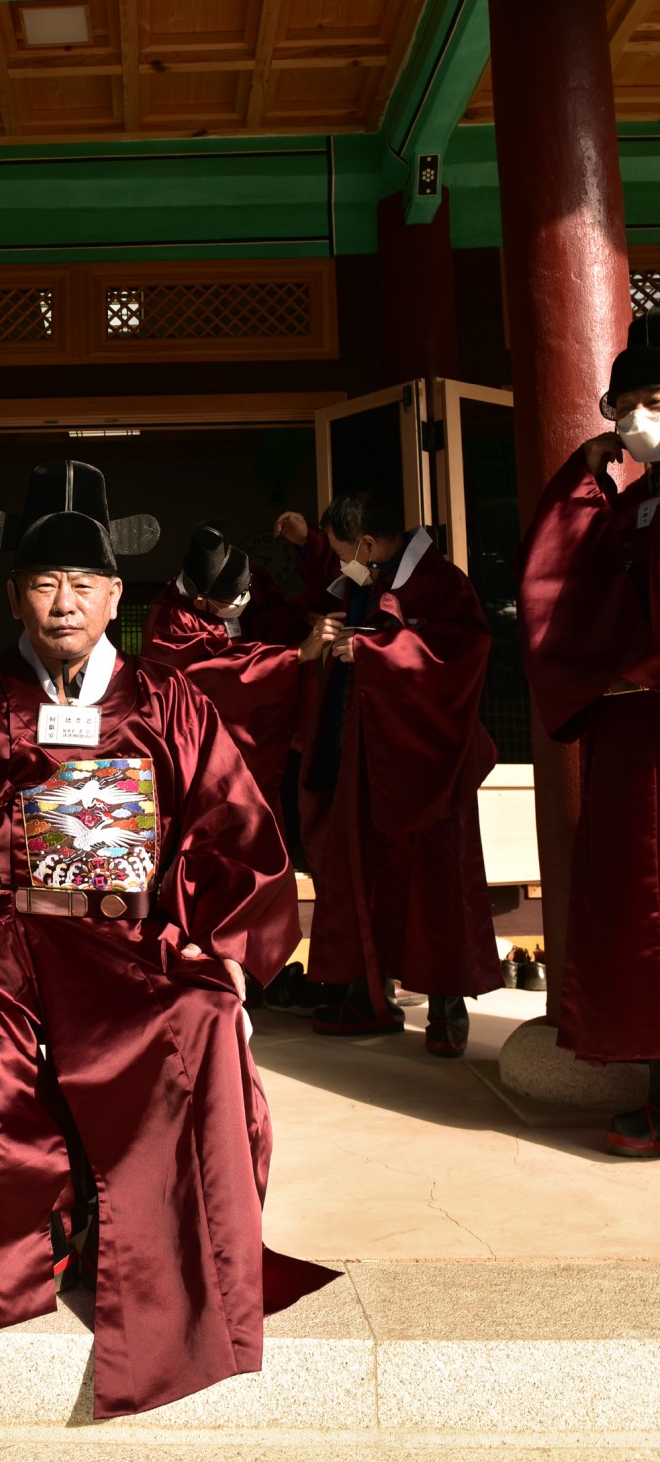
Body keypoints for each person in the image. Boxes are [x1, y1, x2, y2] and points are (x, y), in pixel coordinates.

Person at [0, 459, 329, 1420]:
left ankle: (156, 1248)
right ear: (13, 596)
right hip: (5, 933)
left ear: (114, 596)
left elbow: (233, 825)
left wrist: (226, 944)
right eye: (42, 583)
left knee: (197, 1014)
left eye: (81, 584)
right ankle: (24, 1250)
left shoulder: (168, 701)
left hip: (137, 931)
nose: (62, 603)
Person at [278, 491, 502, 1057]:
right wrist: (309, 552)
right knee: (358, 870)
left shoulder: (443, 583)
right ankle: (368, 993)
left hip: (424, 762)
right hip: (358, 751)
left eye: (342, 549)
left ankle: (447, 1004)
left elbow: (461, 658)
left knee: (436, 875)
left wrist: (376, 653)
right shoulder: (365, 577)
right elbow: (325, 589)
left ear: (369, 543)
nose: (340, 561)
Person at [515, 308, 660, 1156]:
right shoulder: (633, 504)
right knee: (638, 910)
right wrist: (583, 479)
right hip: (631, 740)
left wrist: (632, 667)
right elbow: (560, 578)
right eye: (626, 406)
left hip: (644, 710)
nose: (637, 419)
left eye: (653, 401)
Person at [142, 522, 330, 821]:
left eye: (246, 591)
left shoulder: (243, 582)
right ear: (202, 601)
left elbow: (272, 616)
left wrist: (304, 620)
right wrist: (294, 655)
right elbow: (213, 676)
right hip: (210, 742)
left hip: (260, 735)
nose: (245, 599)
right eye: (236, 598)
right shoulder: (169, 623)